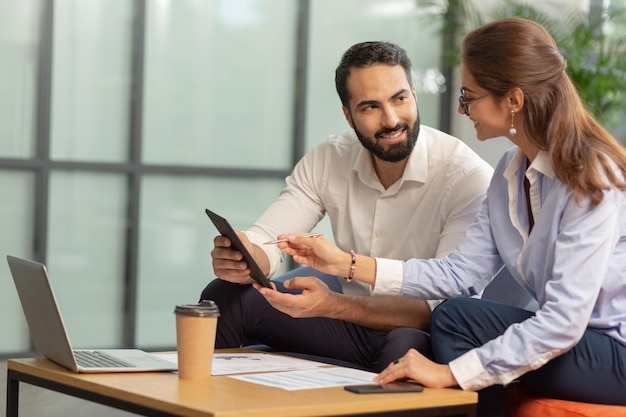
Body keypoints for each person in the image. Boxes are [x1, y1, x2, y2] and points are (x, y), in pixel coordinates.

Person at [267, 17, 626, 415]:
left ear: (513, 100)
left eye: (469, 97)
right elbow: (460, 273)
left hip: (614, 353)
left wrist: (453, 372)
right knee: (457, 314)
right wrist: (348, 265)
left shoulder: (592, 176)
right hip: (577, 343)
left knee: (458, 320)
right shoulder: (510, 172)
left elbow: (562, 322)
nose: (460, 108)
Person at [200, 41, 494, 372]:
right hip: (344, 325)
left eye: (399, 99)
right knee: (223, 297)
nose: (392, 119)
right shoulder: (330, 158)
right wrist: (245, 257)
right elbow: (269, 238)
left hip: (416, 330)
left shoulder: (467, 177)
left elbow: (434, 309)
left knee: (404, 344)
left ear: (413, 93)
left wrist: (335, 304)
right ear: (348, 115)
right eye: (370, 107)